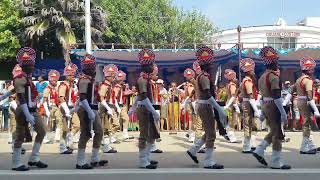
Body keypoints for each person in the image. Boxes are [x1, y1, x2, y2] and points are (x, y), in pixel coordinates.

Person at [187, 46, 225, 169]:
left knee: (208, 132)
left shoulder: (203, 76)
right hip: (205, 105)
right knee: (212, 134)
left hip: (204, 105)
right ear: (206, 65)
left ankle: (193, 150)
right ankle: (208, 161)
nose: (212, 65)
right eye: (210, 63)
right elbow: (208, 95)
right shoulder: (204, 77)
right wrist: (219, 109)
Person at [9, 47, 47, 171]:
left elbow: (14, 91)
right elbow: (21, 97)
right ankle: (16, 163)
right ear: (23, 66)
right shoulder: (20, 77)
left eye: (32, 64)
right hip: (23, 110)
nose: (31, 66)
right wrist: (28, 114)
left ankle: (34, 158)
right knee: (20, 136)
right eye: (28, 64)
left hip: (32, 109)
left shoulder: (27, 77)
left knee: (42, 131)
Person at [253, 46, 291, 169]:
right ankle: (276, 161)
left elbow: (263, 95)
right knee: (278, 133)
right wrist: (283, 113)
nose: (277, 63)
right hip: (273, 106)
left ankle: (260, 149)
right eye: (276, 61)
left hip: (266, 104)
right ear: (273, 62)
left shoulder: (263, 76)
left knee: (274, 130)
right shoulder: (274, 77)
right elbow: (277, 96)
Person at [129, 49, 160, 169]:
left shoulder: (146, 79)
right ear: (146, 66)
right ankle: (143, 160)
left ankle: (146, 157)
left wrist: (132, 107)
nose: (153, 67)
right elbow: (143, 97)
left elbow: (139, 96)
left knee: (150, 134)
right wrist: (153, 111)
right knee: (144, 134)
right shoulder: (142, 80)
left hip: (146, 107)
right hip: (144, 109)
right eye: (151, 65)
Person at [76, 54, 107, 169]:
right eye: (89, 67)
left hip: (93, 109)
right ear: (84, 68)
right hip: (86, 109)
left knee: (99, 132)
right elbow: (83, 98)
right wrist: (89, 111)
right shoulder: (84, 80)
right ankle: (80, 161)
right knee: (85, 134)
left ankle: (94, 158)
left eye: (92, 66)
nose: (92, 69)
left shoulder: (91, 80)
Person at [293, 57, 320, 154]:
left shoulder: (298, 79)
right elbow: (309, 97)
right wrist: (316, 110)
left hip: (299, 101)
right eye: (311, 69)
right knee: (307, 124)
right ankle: (304, 147)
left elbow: (291, 91)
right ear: (308, 70)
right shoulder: (308, 80)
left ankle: (310, 145)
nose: (313, 70)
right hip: (306, 103)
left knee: (307, 124)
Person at [238, 58, 261, 153]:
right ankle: (246, 146)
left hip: (249, 103)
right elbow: (250, 96)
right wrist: (256, 110)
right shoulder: (247, 81)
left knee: (253, 124)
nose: (253, 71)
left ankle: (251, 143)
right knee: (248, 124)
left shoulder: (246, 80)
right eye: (252, 69)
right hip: (249, 104)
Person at [57, 63, 78, 154]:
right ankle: (63, 147)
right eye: (70, 75)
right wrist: (66, 110)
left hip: (71, 108)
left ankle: (69, 140)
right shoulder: (63, 85)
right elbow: (61, 98)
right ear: (66, 76)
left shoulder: (71, 86)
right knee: (64, 129)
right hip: (64, 108)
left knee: (77, 125)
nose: (72, 76)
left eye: (73, 74)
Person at [98, 64, 118, 153]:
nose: (114, 77)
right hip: (104, 108)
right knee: (106, 127)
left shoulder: (110, 85)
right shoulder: (104, 86)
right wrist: (108, 108)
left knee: (110, 126)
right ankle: (105, 146)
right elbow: (101, 98)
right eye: (112, 75)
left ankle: (106, 145)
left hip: (109, 107)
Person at [41, 70, 61, 145]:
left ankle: (57, 137)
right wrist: (46, 110)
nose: (56, 82)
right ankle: (45, 138)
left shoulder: (56, 89)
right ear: (50, 81)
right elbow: (44, 100)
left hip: (56, 106)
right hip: (49, 107)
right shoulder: (47, 89)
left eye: (56, 80)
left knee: (60, 120)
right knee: (46, 123)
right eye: (54, 81)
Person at [115, 70, 134, 140]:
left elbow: (125, 93)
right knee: (115, 121)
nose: (123, 81)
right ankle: (110, 137)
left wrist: (128, 90)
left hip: (122, 105)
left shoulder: (121, 87)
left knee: (126, 118)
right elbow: (115, 96)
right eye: (122, 80)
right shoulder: (116, 87)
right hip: (115, 105)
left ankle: (125, 134)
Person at [223, 69, 240, 143]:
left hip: (228, 104)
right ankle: (232, 138)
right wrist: (236, 106)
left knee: (230, 121)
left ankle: (228, 135)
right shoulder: (232, 85)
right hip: (232, 105)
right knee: (233, 121)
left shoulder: (228, 85)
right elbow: (233, 96)